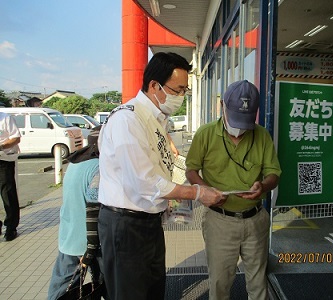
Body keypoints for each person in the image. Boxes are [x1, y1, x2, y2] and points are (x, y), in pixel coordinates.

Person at [97, 52, 224, 300]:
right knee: (130, 293)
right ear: (154, 86)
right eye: (177, 90)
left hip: (149, 223)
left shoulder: (156, 120)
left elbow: (160, 169)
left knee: (153, 290)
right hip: (126, 225)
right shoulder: (128, 120)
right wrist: (197, 192)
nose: (181, 97)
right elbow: (145, 181)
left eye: (184, 91)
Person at [185, 80, 282, 300]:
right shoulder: (206, 134)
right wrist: (205, 192)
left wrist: (263, 186)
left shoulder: (262, 135)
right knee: (219, 283)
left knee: (258, 283)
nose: (239, 131)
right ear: (222, 106)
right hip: (220, 221)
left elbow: (274, 174)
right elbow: (191, 171)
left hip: (256, 219)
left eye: (245, 123)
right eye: (235, 118)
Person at [48, 127, 108, 300]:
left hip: (68, 236)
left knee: (61, 288)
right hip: (90, 241)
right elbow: (94, 207)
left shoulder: (76, 163)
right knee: (105, 283)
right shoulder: (99, 167)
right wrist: (90, 249)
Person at [0, 111, 21, 241]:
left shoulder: (5, 118)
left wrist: (1, 146)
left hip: (5, 159)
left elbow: (16, 137)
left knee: (8, 193)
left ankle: (11, 227)